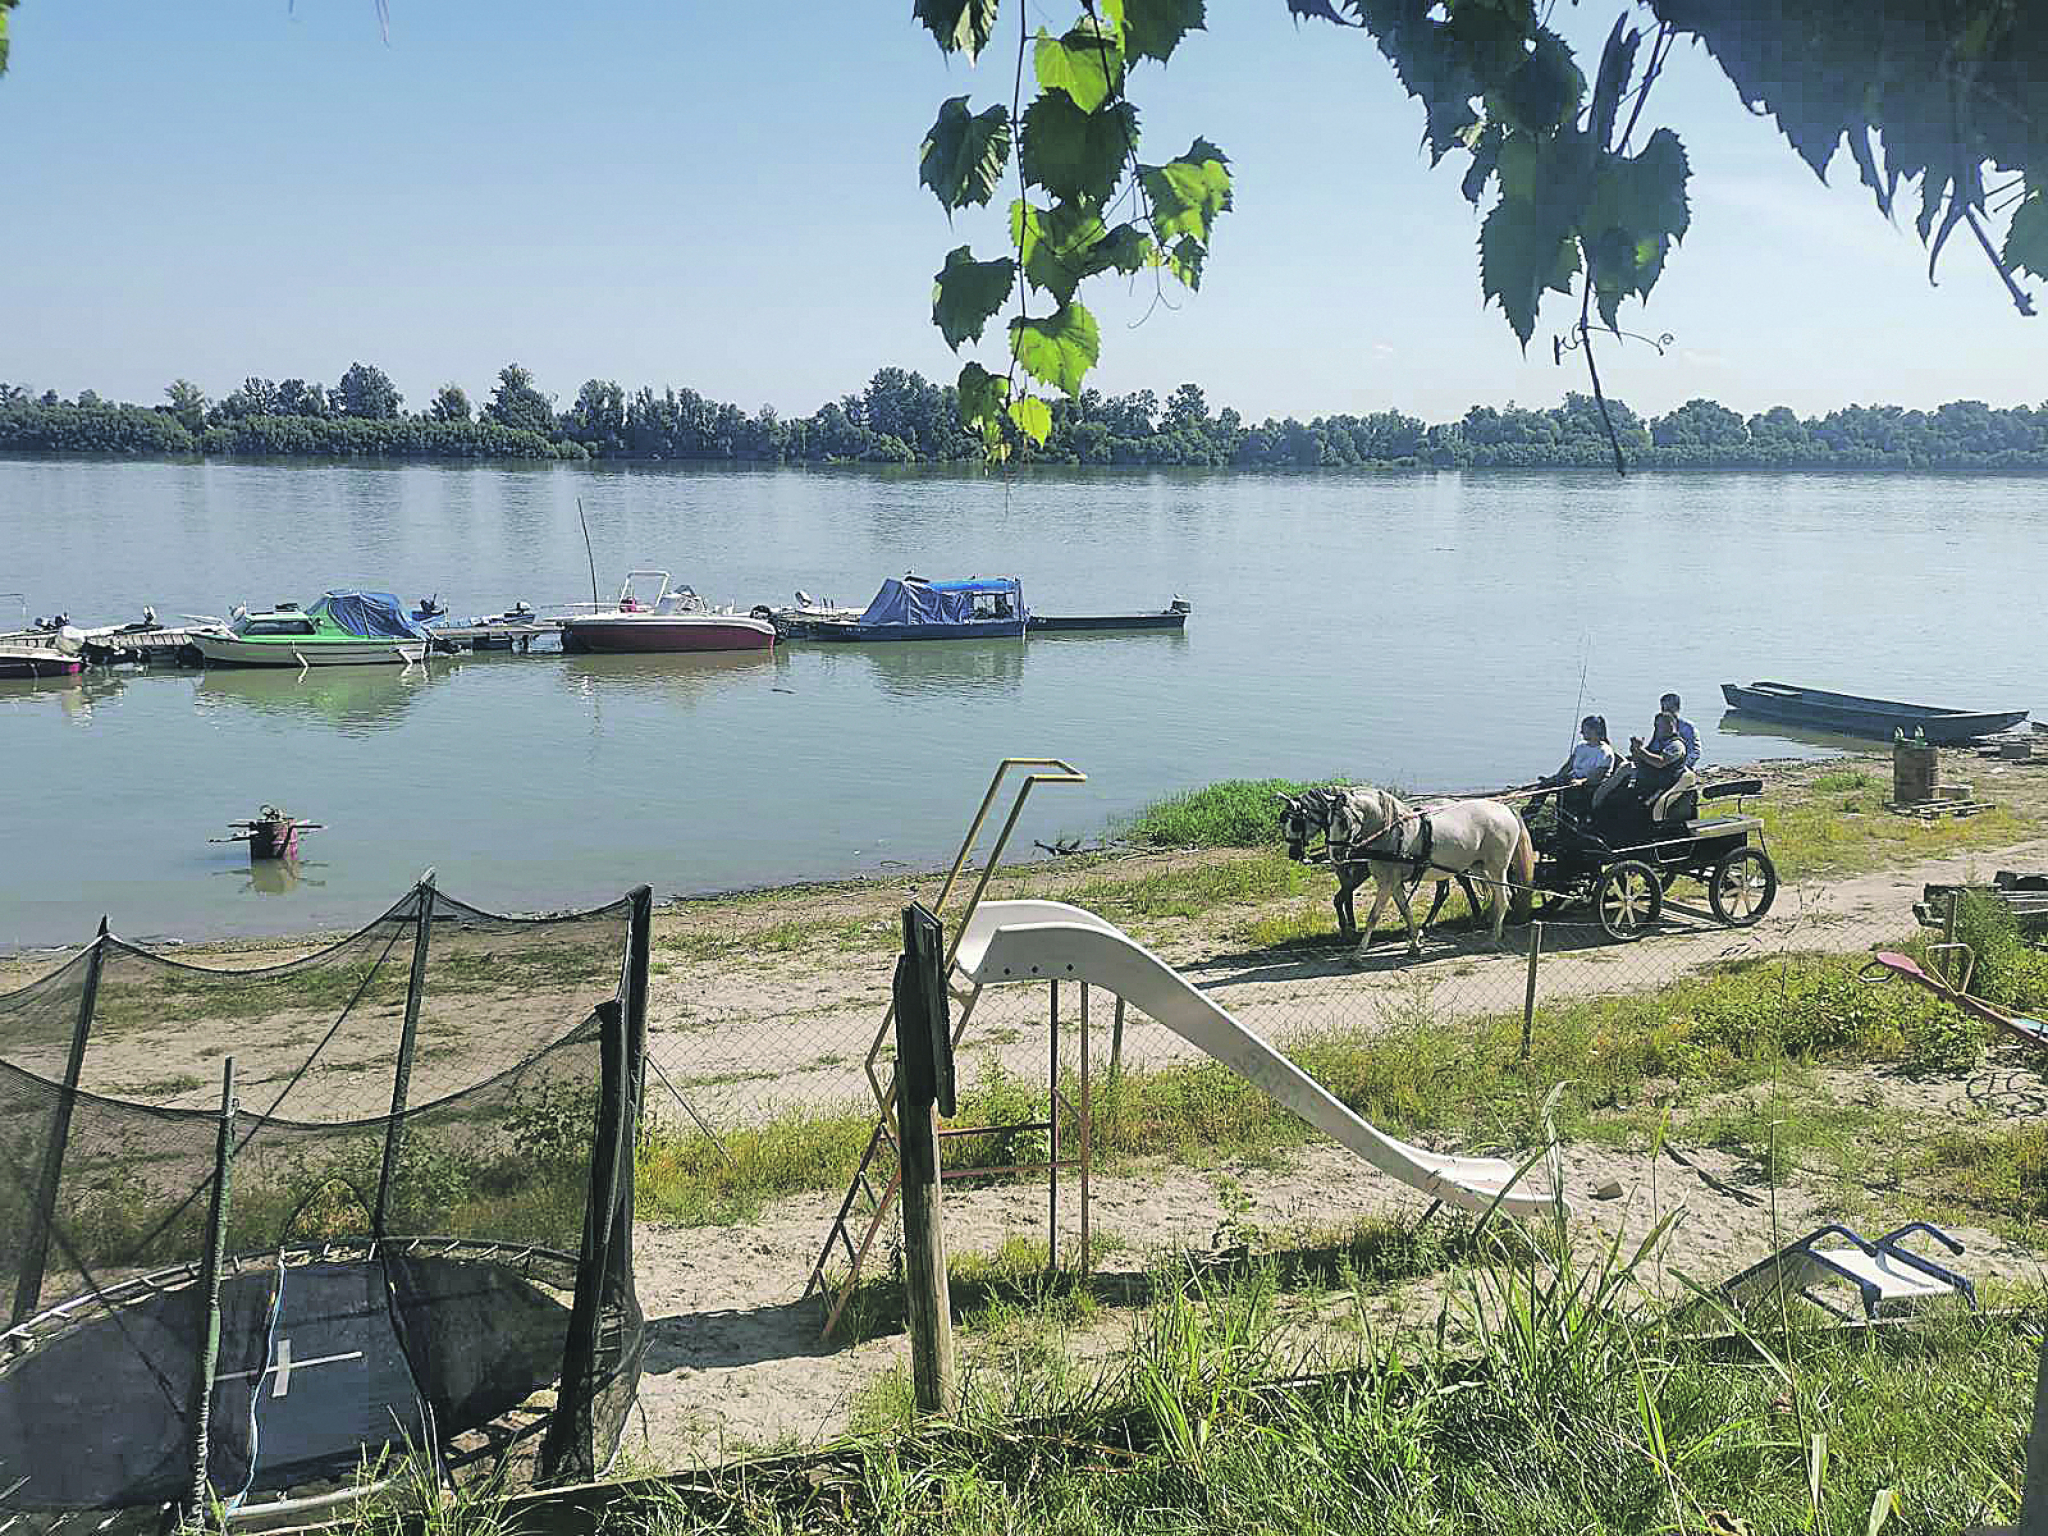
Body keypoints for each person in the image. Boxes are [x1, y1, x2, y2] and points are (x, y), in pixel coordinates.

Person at [1526, 715, 1615, 820]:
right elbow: (1569, 766)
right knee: (1544, 785)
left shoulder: (1605, 752)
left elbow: (1597, 777)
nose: (1581, 732)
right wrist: (1556, 777)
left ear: (1594, 731)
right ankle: (1529, 815)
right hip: (1573, 779)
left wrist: (1580, 781)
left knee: (1569, 792)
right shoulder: (1581, 746)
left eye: (1584, 729)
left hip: (1589, 785)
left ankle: (1568, 820)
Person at [1626, 712, 1690, 813]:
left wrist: (1640, 750)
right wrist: (1635, 751)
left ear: (1670, 725)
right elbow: (1639, 762)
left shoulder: (1676, 745)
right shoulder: (1656, 742)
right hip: (1645, 782)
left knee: (1641, 808)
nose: (1656, 728)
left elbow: (1660, 762)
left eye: (1659, 725)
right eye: (1655, 725)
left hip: (1662, 785)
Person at [1660, 692, 1701, 770]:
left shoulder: (1688, 727)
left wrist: (1682, 767)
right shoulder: (1661, 725)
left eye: (1668, 709)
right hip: (1662, 762)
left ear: (1677, 708)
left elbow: (1695, 753)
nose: (1665, 712)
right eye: (1663, 709)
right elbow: (1655, 745)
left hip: (1681, 766)